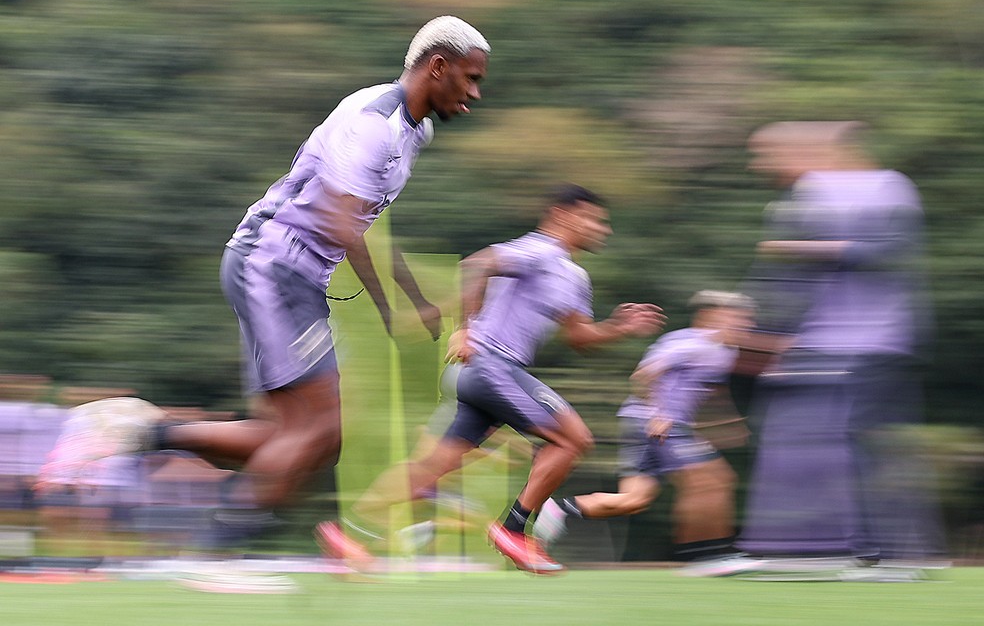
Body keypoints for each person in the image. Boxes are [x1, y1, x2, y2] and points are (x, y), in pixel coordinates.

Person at [36, 16, 492, 551]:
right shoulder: (373, 124)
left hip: (291, 275)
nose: (476, 92)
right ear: (437, 67)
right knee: (323, 428)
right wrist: (393, 311)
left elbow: (367, 223)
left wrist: (415, 300)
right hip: (273, 267)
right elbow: (343, 224)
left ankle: (137, 431)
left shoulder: (414, 129)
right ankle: (218, 552)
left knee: (288, 437)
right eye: (470, 77)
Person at [322, 184, 666, 574]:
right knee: (573, 439)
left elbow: (580, 337)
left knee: (431, 468)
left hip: (484, 376)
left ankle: (347, 535)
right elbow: (478, 264)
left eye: (604, 223)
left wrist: (619, 328)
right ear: (561, 215)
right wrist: (466, 329)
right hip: (488, 365)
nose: (602, 229)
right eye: (593, 219)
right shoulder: (540, 250)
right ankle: (514, 531)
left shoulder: (573, 276)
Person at [708, 121, 945, 579]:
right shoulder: (803, 195)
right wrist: (760, 332)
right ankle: (819, 550)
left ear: (804, 151)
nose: (761, 166)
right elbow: (787, 282)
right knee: (810, 438)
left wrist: (801, 248)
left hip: (877, 342)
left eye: (767, 154)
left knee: (867, 445)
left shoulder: (887, 187)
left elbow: (886, 253)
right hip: (822, 343)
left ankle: (893, 556)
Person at [532, 290, 754, 566]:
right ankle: (706, 555)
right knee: (712, 479)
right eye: (738, 318)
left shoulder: (724, 352)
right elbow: (645, 374)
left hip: (651, 424)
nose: (745, 325)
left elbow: (710, 391)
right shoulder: (692, 344)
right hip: (654, 424)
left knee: (632, 500)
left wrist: (727, 422)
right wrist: (659, 413)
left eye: (746, 319)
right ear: (711, 316)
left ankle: (560, 510)